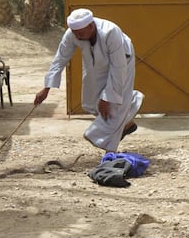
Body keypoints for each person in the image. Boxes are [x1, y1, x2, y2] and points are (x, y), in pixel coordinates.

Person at [34, 8, 144, 153]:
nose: (77, 36)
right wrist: (46, 88)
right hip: (95, 62)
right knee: (91, 101)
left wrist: (107, 98)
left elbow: (117, 69)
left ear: (91, 26)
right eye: (74, 32)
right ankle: (128, 117)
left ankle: (110, 150)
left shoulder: (111, 32)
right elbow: (60, 58)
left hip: (123, 59)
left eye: (80, 33)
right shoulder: (73, 34)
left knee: (115, 103)